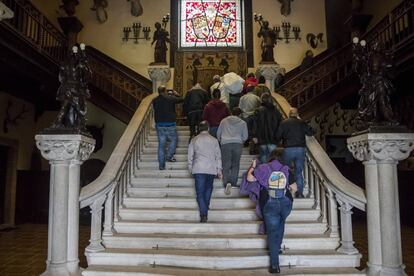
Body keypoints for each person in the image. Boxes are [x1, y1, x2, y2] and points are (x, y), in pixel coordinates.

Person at [243, 149, 297, 273]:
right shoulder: (286, 169)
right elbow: (294, 188)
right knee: (281, 222)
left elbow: (250, 179)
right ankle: (277, 247)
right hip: (285, 203)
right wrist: (286, 189)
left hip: (269, 203)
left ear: (270, 157)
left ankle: (274, 266)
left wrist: (253, 167)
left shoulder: (263, 168)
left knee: (272, 232)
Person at [188, 121, 222, 223]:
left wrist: (190, 168)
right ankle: (205, 210)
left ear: (199, 128)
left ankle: (203, 213)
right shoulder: (214, 140)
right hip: (211, 169)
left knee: (199, 192)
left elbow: (190, 156)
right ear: (208, 128)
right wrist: (219, 170)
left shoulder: (194, 140)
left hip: (198, 168)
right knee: (208, 190)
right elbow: (218, 156)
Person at [276, 107, 315, 198]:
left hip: (288, 149)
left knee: (285, 170)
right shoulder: (301, 123)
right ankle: (300, 193)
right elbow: (311, 132)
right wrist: (302, 121)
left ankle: (285, 191)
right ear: (297, 114)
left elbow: (277, 136)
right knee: (298, 172)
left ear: (289, 114)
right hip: (300, 150)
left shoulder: (284, 123)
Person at [217, 107, 248, 195]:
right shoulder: (243, 123)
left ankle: (226, 182)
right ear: (240, 114)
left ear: (231, 112)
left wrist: (221, 141)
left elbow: (218, 133)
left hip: (225, 144)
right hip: (237, 144)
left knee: (226, 164)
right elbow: (245, 136)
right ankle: (233, 183)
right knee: (235, 164)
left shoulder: (224, 121)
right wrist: (241, 140)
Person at [152, 86, 183, 170]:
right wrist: (176, 94)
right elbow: (182, 99)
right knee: (174, 140)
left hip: (159, 125)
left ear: (158, 92)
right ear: (165, 91)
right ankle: (169, 156)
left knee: (161, 145)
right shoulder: (170, 98)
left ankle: (161, 166)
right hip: (170, 124)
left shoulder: (154, 100)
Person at [252, 93, 283, 163]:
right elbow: (280, 124)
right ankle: (271, 172)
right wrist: (279, 136)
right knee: (273, 157)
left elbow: (255, 124)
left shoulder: (258, 110)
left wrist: (254, 136)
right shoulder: (276, 111)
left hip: (261, 137)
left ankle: (264, 172)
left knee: (263, 156)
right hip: (273, 138)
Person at [239, 85, 261, 154]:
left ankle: (245, 143)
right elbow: (259, 107)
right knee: (253, 132)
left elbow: (240, 108)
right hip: (254, 116)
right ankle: (252, 148)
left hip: (245, 116)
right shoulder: (257, 98)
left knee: (246, 130)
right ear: (253, 90)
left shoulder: (242, 97)